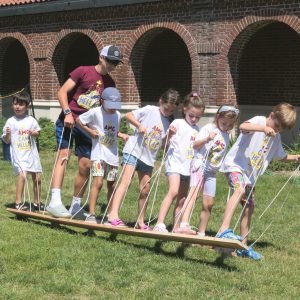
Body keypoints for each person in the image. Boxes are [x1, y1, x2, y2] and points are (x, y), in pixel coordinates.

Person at [46, 45, 123, 218]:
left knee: (86, 165)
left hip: (86, 125)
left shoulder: (110, 83)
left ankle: (75, 205)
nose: (113, 65)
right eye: (110, 61)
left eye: (116, 63)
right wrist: (67, 113)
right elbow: (62, 92)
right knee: (64, 156)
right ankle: (55, 201)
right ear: (101, 57)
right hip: (68, 120)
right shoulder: (83, 71)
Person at [216, 102, 300, 260]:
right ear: (272, 115)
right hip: (234, 165)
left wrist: (296, 157)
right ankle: (223, 229)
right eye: (276, 125)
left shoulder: (276, 138)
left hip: (249, 176)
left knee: (249, 207)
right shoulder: (260, 121)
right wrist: (263, 128)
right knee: (239, 189)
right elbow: (243, 126)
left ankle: (243, 246)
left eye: (281, 128)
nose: (277, 129)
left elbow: (281, 156)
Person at [107, 88, 181, 229]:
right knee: (126, 181)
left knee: (145, 189)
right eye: (166, 109)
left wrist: (169, 136)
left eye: (171, 111)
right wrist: (139, 125)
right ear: (161, 101)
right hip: (134, 150)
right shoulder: (150, 110)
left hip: (148, 158)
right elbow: (128, 115)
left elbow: (162, 145)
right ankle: (113, 215)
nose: (168, 112)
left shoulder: (168, 122)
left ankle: (140, 221)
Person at [175, 105, 239, 235]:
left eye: (230, 125)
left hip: (212, 172)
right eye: (224, 123)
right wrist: (207, 139)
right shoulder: (208, 129)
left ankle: (201, 232)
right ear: (217, 117)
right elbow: (195, 145)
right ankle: (184, 224)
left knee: (209, 203)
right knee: (193, 194)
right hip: (200, 166)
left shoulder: (226, 134)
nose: (226, 127)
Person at [153, 92, 205, 233]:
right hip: (175, 163)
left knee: (182, 199)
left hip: (188, 167)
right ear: (184, 110)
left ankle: (176, 227)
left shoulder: (197, 130)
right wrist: (169, 134)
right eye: (191, 115)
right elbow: (164, 145)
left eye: (198, 117)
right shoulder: (177, 123)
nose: (194, 119)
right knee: (173, 191)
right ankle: (159, 223)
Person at [76, 87, 128, 223]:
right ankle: (92, 213)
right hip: (98, 154)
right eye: (110, 106)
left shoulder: (117, 115)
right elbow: (79, 121)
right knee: (98, 182)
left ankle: (111, 214)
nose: (113, 109)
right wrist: (89, 131)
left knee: (112, 184)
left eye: (115, 106)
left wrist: (121, 134)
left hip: (113, 155)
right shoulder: (94, 112)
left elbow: (111, 131)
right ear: (102, 101)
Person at [2, 90, 43, 211]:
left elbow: (37, 133)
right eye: (15, 104)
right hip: (18, 155)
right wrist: (8, 134)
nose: (17, 107)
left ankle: (37, 202)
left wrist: (33, 133)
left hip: (31, 154)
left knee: (37, 178)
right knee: (23, 176)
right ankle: (18, 202)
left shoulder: (31, 120)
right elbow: (6, 140)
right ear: (12, 105)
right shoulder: (10, 121)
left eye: (20, 104)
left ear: (27, 106)